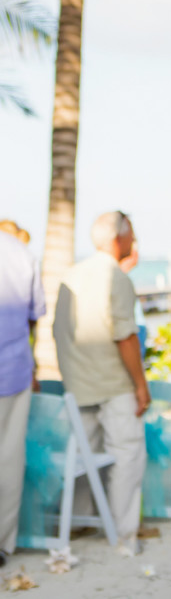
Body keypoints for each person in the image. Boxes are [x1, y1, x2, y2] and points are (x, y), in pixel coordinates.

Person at [53, 211, 149, 555]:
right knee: (127, 455)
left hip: (78, 381)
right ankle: (124, 534)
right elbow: (126, 336)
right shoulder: (115, 278)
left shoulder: (73, 274)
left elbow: (58, 330)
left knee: (82, 453)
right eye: (132, 234)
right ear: (117, 238)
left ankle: (80, 521)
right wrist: (141, 384)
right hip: (113, 383)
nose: (134, 241)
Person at [0, 230, 45, 568]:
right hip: (14, 368)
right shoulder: (20, 252)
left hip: (15, 369)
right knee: (9, 458)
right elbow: (34, 317)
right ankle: (2, 543)